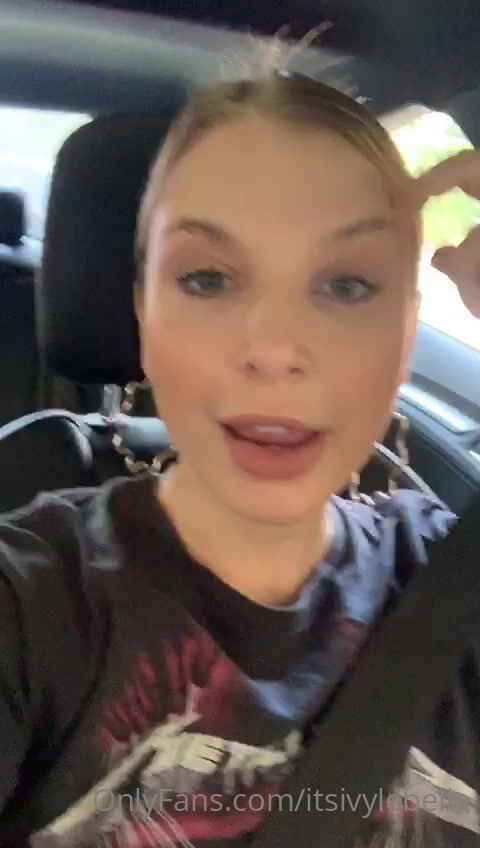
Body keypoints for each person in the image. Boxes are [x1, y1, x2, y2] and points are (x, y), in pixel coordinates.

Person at [0, 55, 479, 848]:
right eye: (208, 279)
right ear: (142, 312)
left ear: (406, 328)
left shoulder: (455, 578)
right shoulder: (31, 605)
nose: (275, 348)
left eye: (347, 285)